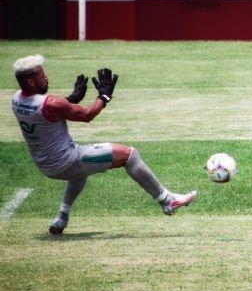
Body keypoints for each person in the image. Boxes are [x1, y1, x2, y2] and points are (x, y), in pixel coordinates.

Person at [11, 55, 197, 235]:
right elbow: (86, 115)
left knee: (79, 172)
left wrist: (73, 98)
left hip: (45, 166)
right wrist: (104, 96)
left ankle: (61, 217)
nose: (46, 78)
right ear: (30, 82)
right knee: (129, 155)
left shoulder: (17, 99)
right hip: (68, 161)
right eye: (42, 76)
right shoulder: (51, 103)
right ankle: (167, 201)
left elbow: (51, 112)